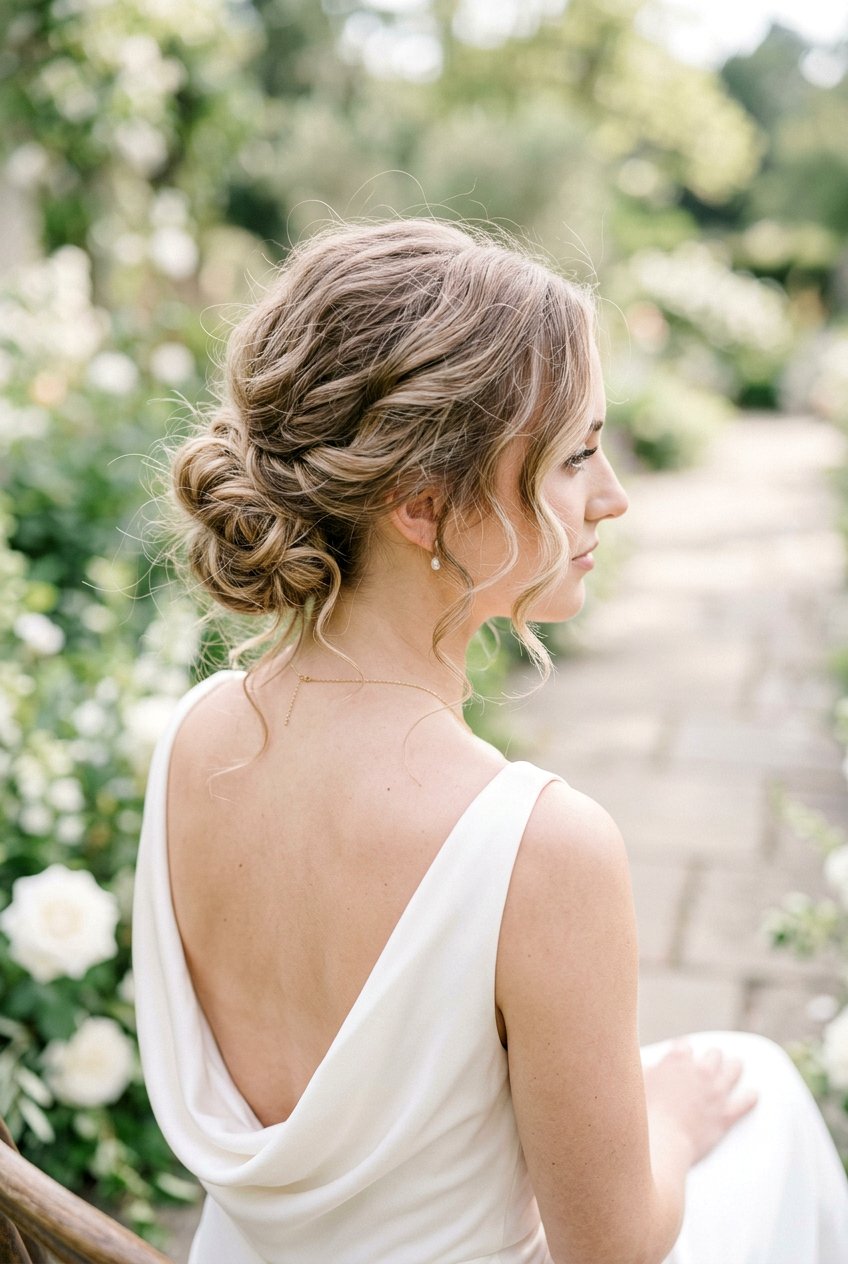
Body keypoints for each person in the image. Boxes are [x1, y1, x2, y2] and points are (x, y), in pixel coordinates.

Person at [132, 218, 848, 1264]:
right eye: (574, 458)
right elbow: (609, 1248)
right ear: (422, 506)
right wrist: (672, 1122)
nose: (611, 497)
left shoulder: (193, 738)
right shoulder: (537, 848)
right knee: (762, 1097)